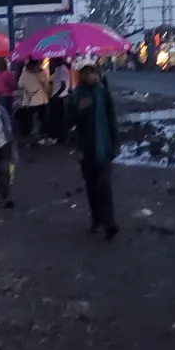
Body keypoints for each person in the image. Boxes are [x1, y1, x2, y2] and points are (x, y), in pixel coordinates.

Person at [71, 64, 119, 240]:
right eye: (87, 74)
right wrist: (79, 110)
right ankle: (96, 218)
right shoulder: (76, 96)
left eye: (93, 73)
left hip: (104, 146)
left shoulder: (103, 94)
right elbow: (67, 122)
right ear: (81, 77)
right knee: (91, 186)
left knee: (104, 184)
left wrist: (115, 143)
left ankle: (109, 223)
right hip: (86, 148)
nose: (91, 77)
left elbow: (111, 118)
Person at [15, 59, 48, 144]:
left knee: (30, 118)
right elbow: (45, 83)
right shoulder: (40, 72)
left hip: (29, 99)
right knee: (42, 118)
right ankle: (41, 135)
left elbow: (20, 85)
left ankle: (30, 136)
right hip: (40, 97)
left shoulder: (24, 72)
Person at [46, 58, 71, 143]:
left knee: (58, 117)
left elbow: (63, 85)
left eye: (51, 61)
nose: (50, 63)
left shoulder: (63, 69)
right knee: (55, 117)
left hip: (60, 97)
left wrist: (55, 95)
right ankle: (57, 135)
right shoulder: (58, 69)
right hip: (56, 96)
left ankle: (60, 136)